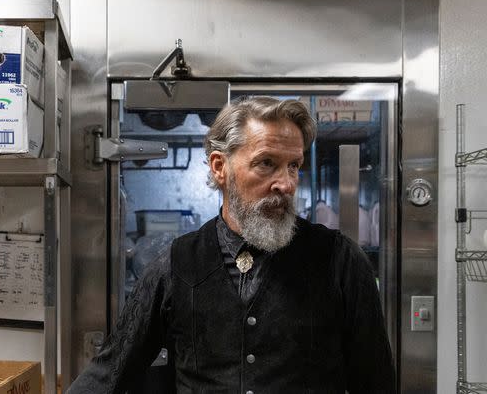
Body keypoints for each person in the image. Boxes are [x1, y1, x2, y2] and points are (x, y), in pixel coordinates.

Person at [68, 97, 395, 394]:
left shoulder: (339, 262)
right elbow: (109, 373)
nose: (286, 183)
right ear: (219, 167)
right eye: (266, 163)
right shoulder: (176, 264)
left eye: (293, 166)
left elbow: (375, 383)